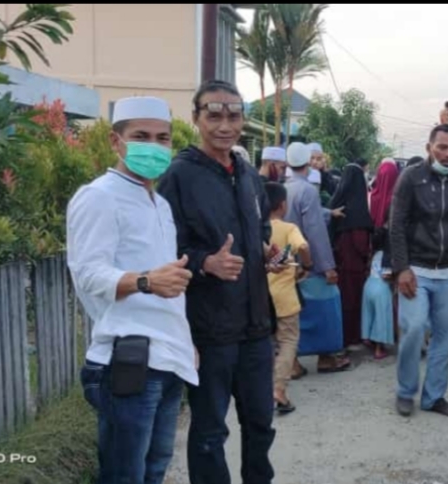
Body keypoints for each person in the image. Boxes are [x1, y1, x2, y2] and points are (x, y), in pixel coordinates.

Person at [68, 96, 197, 484]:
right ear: (116, 141)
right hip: (128, 361)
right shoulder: (99, 197)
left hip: (168, 357)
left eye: (162, 138)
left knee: (155, 468)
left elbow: (169, 280)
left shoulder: (160, 204)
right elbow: (88, 273)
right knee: (124, 475)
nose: (153, 146)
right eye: (141, 136)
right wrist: (145, 281)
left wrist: (185, 340)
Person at [156, 79, 280, 484]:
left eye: (234, 115)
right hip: (210, 328)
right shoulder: (178, 176)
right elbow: (164, 246)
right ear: (196, 118)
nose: (225, 125)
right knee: (210, 431)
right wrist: (205, 262)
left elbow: (261, 226)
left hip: (256, 325)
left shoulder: (247, 174)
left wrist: (264, 250)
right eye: (214, 115)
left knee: (260, 423)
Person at [390, 123, 448, 419]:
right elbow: (396, 224)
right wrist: (401, 268)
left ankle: (434, 397)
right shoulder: (411, 178)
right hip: (417, 269)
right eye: (442, 147)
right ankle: (405, 392)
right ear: (429, 148)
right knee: (414, 328)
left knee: (446, 338)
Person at [282, 142, 352, 374]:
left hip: (285, 263)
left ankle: (292, 362)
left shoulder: (284, 188)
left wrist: (328, 212)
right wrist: (327, 266)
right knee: (327, 306)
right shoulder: (308, 190)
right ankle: (326, 357)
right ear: (307, 162)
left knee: (293, 313)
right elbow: (315, 231)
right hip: (308, 263)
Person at [263, 182, 313, 414]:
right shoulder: (289, 228)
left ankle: (261, 389)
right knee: (288, 342)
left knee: (265, 344)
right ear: (283, 205)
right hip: (285, 298)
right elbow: (303, 246)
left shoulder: (256, 229)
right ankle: (279, 390)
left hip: (260, 297)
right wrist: (307, 265)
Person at [329, 158, 374, 349]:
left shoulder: (335, 207)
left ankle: (342, 336)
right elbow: (360, 244)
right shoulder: (359, 211)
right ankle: (352, 336)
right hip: (354, 267)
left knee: (343, 302)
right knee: (353, 302)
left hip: (338, 264)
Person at [362, 160, 401, 359]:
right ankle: (385, 340)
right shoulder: (397, 200)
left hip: (374, 249)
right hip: (390, 251)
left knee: (372, 296)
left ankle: (369, 337)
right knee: (388, 298)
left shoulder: (371, 197)